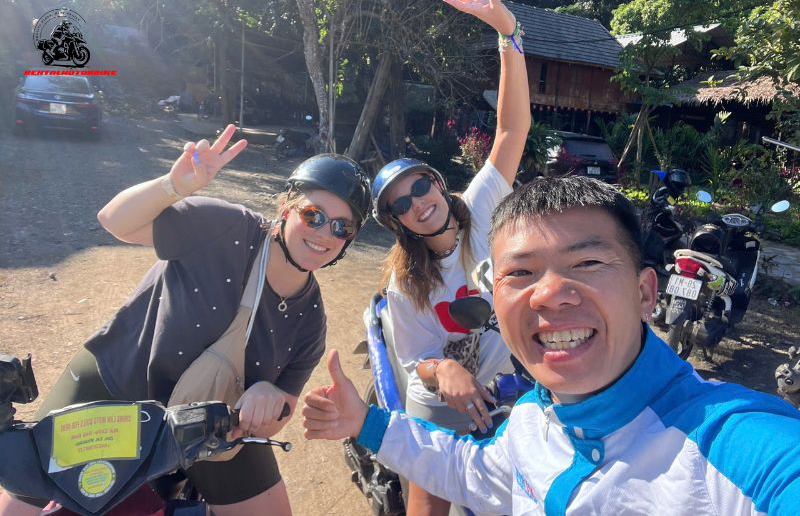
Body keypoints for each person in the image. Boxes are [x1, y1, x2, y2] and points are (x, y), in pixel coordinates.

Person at [303, 175, 800, 515]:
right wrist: (366, 421)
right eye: (521, 272)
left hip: (498, 374)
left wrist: (511, 49)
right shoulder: (532, 422)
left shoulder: (738, 449)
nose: (549, 294)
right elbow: (478, 470)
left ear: (646, 293)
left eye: (587, 263)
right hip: (447, 385)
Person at [0, 124, 372, 516]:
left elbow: (279, 415)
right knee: (24, 500)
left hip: (205, 427)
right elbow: (115, 220)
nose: (324, 233)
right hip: (118, 384)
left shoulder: (310, 320)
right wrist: (172, 186)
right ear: (286, 208)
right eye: (313, 215)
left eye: (342, 227)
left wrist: (270, 396)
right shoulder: (228, 228)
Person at [368, 0, 529, 512]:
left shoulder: (480, 209)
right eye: (401, 204)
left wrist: (508, 34)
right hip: (441, 397)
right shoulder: (405, 281)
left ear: (438, 184)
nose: (418, 203)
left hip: (508, 385)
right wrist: (444, 371)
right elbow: (416, 358)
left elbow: (511, 129)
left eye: (421, 187)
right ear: (397, 223)